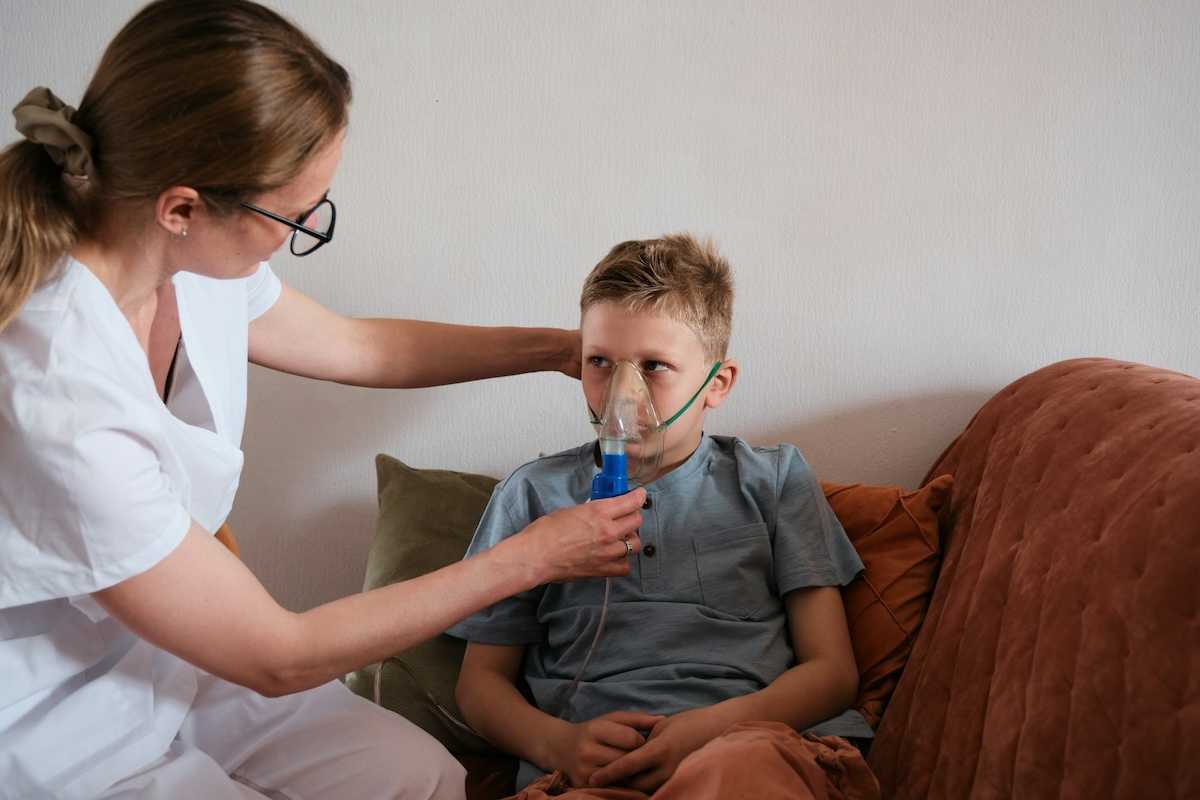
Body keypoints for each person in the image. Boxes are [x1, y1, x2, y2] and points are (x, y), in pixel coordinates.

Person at [0, 2, 646, 798]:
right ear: (182, 208)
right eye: (293, 216)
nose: (302, 228)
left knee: (421, 778)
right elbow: (281, 655)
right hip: (48, 716)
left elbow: (359, 347)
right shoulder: (56, 393)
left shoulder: (185, 262)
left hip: (174, 665)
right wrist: (534, 556)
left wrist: (558, 350)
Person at [449, 234, 879, 799]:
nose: (623, 395)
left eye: (654, 366)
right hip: (593, 772)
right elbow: (480, 684)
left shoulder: (772, 481)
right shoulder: (533, 495)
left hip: (748, 749)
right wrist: (560, 745)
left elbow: (831, 672)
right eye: (601, 362)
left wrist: (710, 731)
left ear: (716, 384)